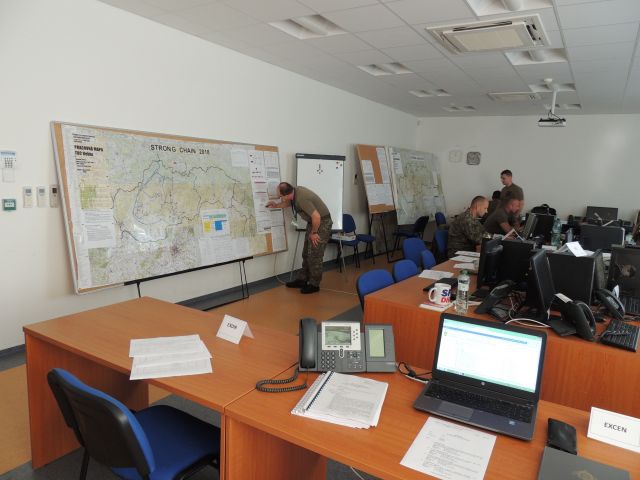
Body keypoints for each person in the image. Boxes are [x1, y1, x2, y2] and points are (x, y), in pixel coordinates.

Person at [266, 182, 332, 294]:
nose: (280, 198)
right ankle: (303, 279)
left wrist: (314, 233)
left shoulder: (302, 198)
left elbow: (317, 217)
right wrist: (276, 205)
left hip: (322, 223)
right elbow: (289, 203)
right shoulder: (294, 192)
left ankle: (314, 284)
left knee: (315, 255)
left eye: (280, 196)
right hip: (313, 223)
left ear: (286, 195)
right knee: (306, 253)